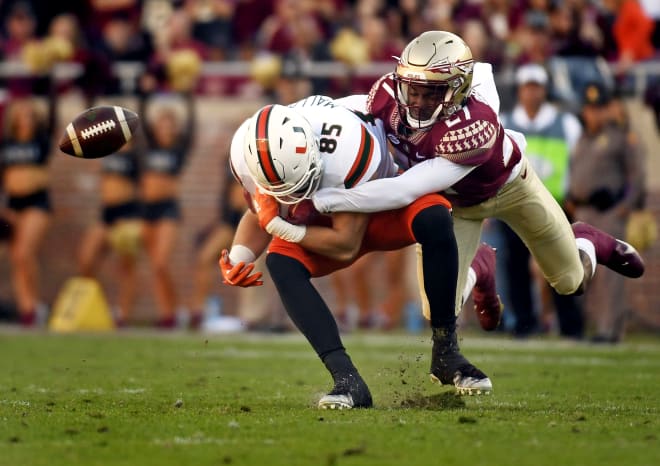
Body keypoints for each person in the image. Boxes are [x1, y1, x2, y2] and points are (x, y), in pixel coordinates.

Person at [310, 31, 645, 347]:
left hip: (511, 188)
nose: (418, 101)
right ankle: (480, 267)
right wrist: (307, 118)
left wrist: (327, 200)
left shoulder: (471, 128)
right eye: (413, 89)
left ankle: (586, 240)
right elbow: (351, 108)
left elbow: (403, 190)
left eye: (432, 92)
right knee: (439, 309)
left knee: (571, 281)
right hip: (461, 206)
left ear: (458, 90)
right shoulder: (387, 95)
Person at [221, 97, 497, 409]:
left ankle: (446, 351)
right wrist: (238, 259)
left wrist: (279, 225)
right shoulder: (248, 156)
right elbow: (261, 214)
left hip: (381, 203)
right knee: (281, 262)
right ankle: (347, 380)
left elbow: (345, 244)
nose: (293, 199)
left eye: (296, 189)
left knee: (434, 216)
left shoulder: (346, 145)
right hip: (326, 214)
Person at [498, 63, 585, 338]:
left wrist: (576, 196)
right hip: (514, 205)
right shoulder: (503, 122)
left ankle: (570, 324)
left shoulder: (567, 124)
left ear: (544, 91)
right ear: (520, 91)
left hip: (556, 204)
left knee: (561, 264)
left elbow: (578, 163)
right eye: (527, 87)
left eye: (536, 88)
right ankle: (524, 323)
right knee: (516, 267)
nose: (532, 93)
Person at [565, 82, 644, 343]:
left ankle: (610, 330)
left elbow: (637, 176)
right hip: (584, 212)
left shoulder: (620, 137)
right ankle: (595, 327)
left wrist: (626, 206)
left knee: (610, 277)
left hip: (609, 212)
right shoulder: (581, 138)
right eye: (589, 109)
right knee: (585, 272)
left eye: (599, 108)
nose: (593, 114)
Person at [0, 82, 57, 327]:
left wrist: (45, 77)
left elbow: (52, 117)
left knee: (25, 253)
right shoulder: (6, 144)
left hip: (37, 203)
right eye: (22, 114)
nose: (27, 119)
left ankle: (34, 304)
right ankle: (28, 310)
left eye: (31, 115)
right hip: (13, 205)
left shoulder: (41, 142)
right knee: (17, 258)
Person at [139, 91, 195, 328]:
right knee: (155, 267)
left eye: (170, 124)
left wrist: (186, 94)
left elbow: (193, 128)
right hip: (146, 209)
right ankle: (167, 314)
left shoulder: (179, 149)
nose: (166, 127)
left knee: (161, 262)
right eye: (162, 123)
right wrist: (147, 92)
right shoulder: (147, 147)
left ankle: (175, 310)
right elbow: (140, 119)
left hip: (168, 209)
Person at [77, 139, 142, 327]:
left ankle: (122, 314)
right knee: (86, 260)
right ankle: (99, 307)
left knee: (126, 267)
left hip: (128, 213)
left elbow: (144, 186)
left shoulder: (137, 154)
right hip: (106, 213)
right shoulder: (105, 149)